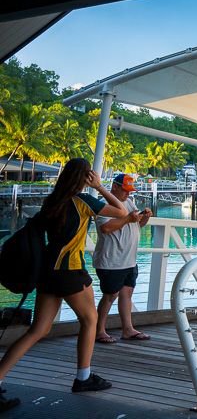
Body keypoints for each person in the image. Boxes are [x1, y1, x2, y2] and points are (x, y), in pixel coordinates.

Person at [0, 158, 130, 411]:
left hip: (47, 273)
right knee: (91, 320)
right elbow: (122, 211)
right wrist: (101, 187)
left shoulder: (52, 202)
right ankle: (83, 377)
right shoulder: (82, 202)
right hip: (70, 272)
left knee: (38, 330)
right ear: (85, 177)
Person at [94, 173, 152, 344]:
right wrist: (127, 218)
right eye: (125, 190)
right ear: (115, 187)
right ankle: (99, 330)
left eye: (130, 191)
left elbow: (135, 224)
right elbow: (105, 228)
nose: (128, 194)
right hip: (112, 260)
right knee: (110, 295)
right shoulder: (104, 204)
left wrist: (144, 218)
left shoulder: (128, 202)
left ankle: (128, 329)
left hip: (129, 259)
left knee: (127, 293)